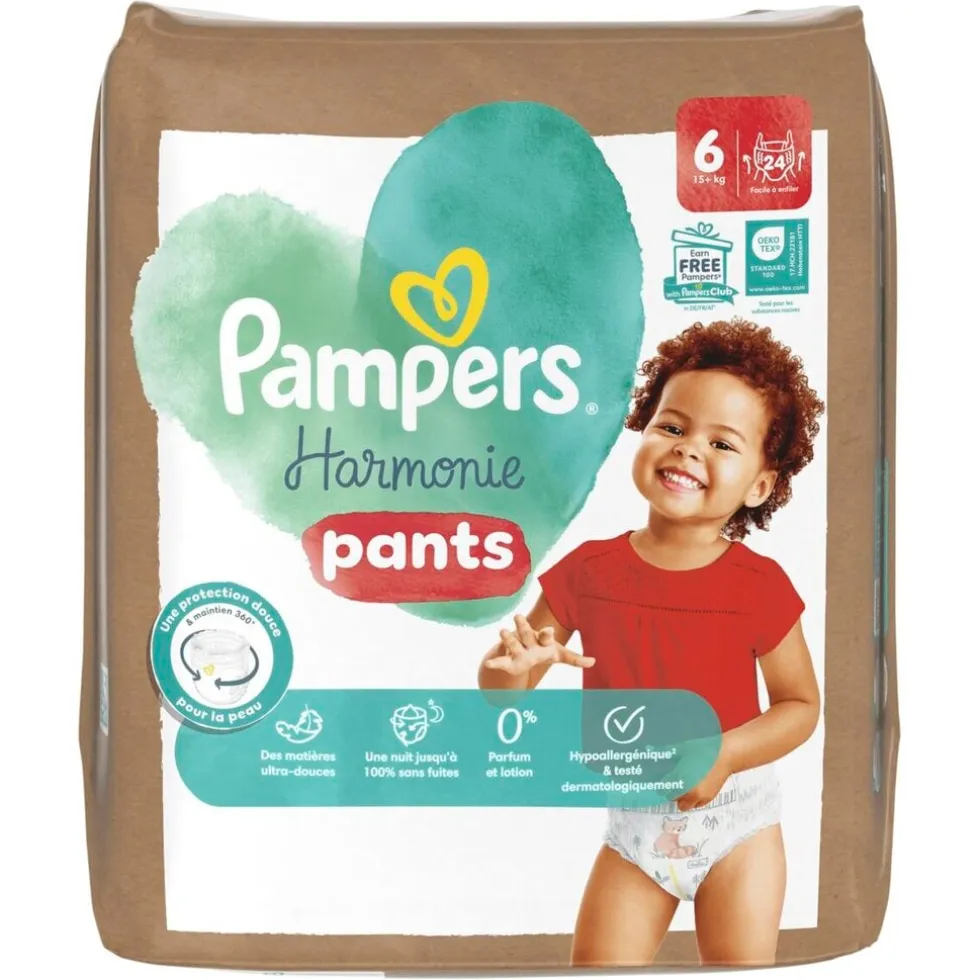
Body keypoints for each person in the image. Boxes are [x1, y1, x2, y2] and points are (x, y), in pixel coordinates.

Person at [478, 318, 824, 966]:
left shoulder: (760, 587)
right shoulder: (587, 571)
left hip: (738, 824)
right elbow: (503, 694)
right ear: (642, 430)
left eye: (721, 443)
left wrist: (725, 753)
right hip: (634, 828)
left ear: (759, 484)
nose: (689, 450)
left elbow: (801, 706)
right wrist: (510, 666)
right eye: (672, 427)